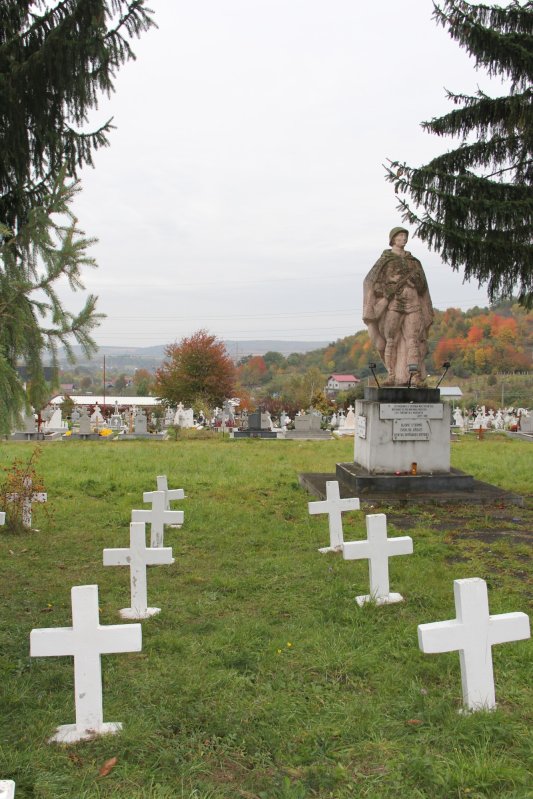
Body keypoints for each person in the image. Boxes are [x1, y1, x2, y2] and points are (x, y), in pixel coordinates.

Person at [363, 226, 433, 386]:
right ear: (393, 239)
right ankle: (391, 375)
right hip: (394, 305)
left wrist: (414, 280)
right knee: (390, 340)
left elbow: (423, 288)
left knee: (413, 340)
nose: (404, 239)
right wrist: (389, 290)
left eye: (405, 236)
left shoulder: (414, 262)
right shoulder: (385, 261)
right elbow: (372, 284)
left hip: (413, 304)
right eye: (400, 236)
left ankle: (414, 376)